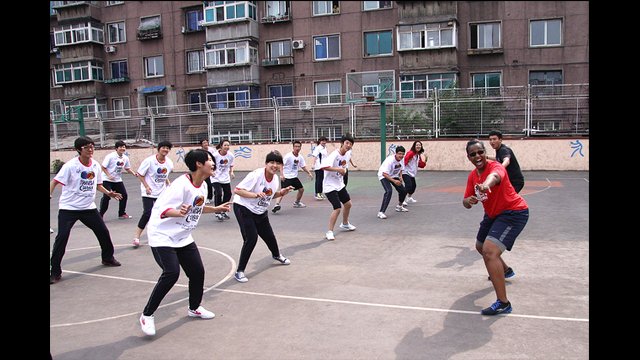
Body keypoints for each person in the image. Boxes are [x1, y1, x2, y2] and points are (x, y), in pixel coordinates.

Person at [139, 149, 231, 336]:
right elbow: (163, 210)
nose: (213, 163)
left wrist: (215, 209)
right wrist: (178, 212)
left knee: (197, 272)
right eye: (209, 160)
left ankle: (194, 307)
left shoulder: (204, 185)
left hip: (182, 236)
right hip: (162, 235)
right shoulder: (180, 185)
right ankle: (147, 315)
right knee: (171, 273)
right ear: (198, 164)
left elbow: (197, 207)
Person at [462, 139, 529, 315]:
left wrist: (485, 186)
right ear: (468, 157)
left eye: (480, 152)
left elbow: (495, 177)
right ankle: (505, 270)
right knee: (479, 246)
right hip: (493, 214)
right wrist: (468, 201)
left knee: (490, 252)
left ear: (485, 153)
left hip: (513, 213)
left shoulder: (495, 167)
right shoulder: (472, 176)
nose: (477, 156)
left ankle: (503, 303)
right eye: (473, 154)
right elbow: (465, 202)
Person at [50, 136, 123, 285]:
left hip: (88, 208)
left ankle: (108, 258)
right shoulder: (71, 166)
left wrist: (108, 193)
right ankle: (55, 272)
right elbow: (55, 181)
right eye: (86, 147)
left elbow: (98, 185)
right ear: (79, 150)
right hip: (69, 208)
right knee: (62, 238)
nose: (90, 150)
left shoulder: (95, 165)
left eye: (92, 147)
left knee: (103, 232)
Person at [232, 151, 294, 283]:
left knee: (269, 236)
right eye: (272, 162)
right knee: (251, 238)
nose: (275, 165)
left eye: (278, 163)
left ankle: (277, 255)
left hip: (260, 210)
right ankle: (239, 271)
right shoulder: (255, 175)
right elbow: (237, 190)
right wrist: (254, 195)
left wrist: (282, 192)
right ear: (266, 164)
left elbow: (270, 195)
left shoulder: (275, 179)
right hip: (244, 207)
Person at [133, 141, 174, 248]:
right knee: (147, 213)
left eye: (168, 148)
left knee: (163, 213)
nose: (165, 150)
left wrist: (169, 185)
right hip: (149, 192)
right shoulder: (149, 161)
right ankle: (137, 236)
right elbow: (140, 175)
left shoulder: (169, 163)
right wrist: (146, 186)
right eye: (163, 147)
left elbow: (165, 176)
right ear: (159, 148)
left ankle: (160, 234)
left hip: (161, 192)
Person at [321, 134, 357, 240]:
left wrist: (343, 171)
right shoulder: (334, 155)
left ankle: (345, 223)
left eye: (350, 144)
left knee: (348, 204)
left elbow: (344, 167)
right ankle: (329, 231)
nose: (349, 145)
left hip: (339, 184)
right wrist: (338, 170)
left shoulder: (348, 154)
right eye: (347, 143)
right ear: (342, 143)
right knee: (337, 208)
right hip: (329, 186)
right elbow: (323, 167)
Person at [272, 141, 314, 213]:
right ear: (293, 147)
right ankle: (276, 205)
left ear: (300, 147)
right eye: (296, 146)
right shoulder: (288, 156)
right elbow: (281, 165)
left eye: (298, 146)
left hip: (294, 177)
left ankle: (297, 202)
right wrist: (282, 175)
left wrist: (309, 173)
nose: (297, 148)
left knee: (301, 189)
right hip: (286, 177)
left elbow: (303, 166)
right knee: (283, 191)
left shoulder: (300, 157)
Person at [99, 140, 137, 219]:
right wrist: (108, 175)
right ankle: (100, 215)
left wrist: (134, 174)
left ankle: (122, 213)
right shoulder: (110, 156)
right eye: (120, 147)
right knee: (107, 196)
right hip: (107, 179)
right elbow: (103, 167)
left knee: (124, 195)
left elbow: (127, 168)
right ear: (116, 148)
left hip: (117, 180)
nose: (122, 148)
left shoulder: (125, 158)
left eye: (124, 147)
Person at [377, 146, 409, 219]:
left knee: (403, 191)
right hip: (383, 175)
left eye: (402, 154)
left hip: (393, 175)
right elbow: (384, 174)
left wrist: (400, 177)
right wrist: (394, 181)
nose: (401, 155)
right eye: (399, 154)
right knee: (389, 191)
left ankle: (399, 206)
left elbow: (401, 169)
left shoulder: (402, 159)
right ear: (396, 153)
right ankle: (381, 212)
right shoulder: (390, 161)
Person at [211, 139, 235, 221]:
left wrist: (231, 172)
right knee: (218, 193)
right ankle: (217, 212)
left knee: (228, 194)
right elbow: (210, 164)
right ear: (221, 146)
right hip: (215, 177)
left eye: (228, 145)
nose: (227, 147)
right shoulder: (215, 155)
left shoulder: (230, 156)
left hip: (225, 178)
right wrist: (211, 172)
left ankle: (223, 210)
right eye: (225, 145)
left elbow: (231, 165)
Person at [402, 141, 427, 206]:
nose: (418, 146)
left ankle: (409, 198)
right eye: (417, 145)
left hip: (412, 174)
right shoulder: (410, 153)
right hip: (405, 172)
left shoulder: (418, 155)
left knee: (413, 187)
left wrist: (425, 160)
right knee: (408, 186)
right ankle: (402, 200)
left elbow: (421, 165)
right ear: (414, 146)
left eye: (419, 145)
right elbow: (404, 161)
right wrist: (400, 171)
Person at [199, 138, 216, 203]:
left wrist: (213, 169)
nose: (206, 144)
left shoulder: (212, 150)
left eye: (206, 142)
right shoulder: (200, 151)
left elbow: (214, 159)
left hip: (210, 168)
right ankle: (204, 197)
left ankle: (209, 197)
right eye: (204, 143)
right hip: (202, 169)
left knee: (210, 183)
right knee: (203, 183)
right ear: (201, 145)